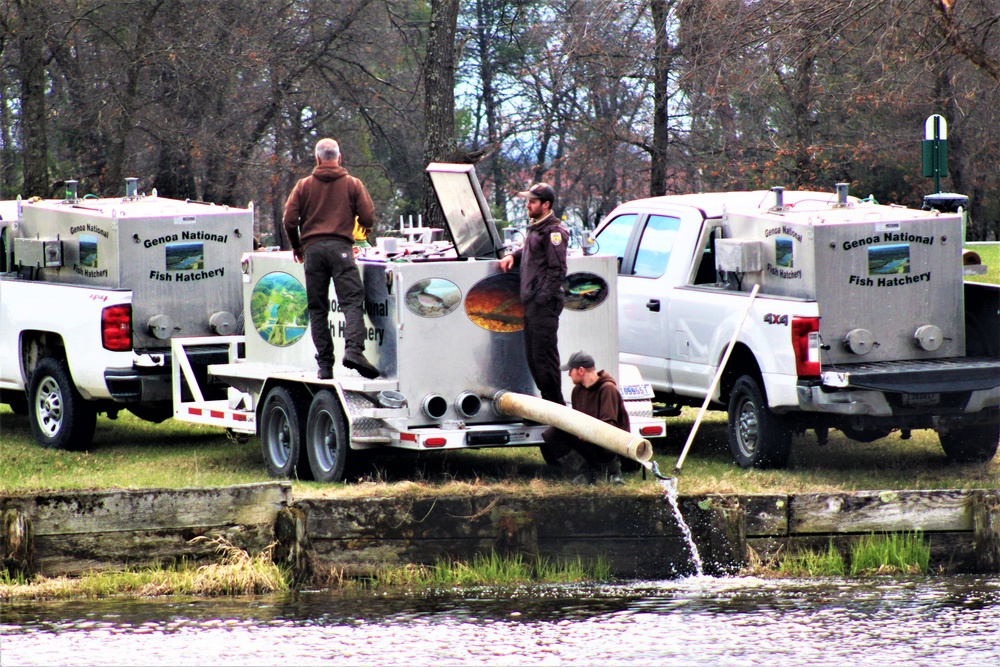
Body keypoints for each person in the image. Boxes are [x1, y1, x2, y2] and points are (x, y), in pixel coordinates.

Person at [283, 138, 380, 380]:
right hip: (342, 249)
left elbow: (288, 221)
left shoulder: (303, 186)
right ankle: (354, 351)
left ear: (317, 159)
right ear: (339, 157)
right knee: (351, 301)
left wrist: (297, 246)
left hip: (313, 251)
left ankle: (325, 366)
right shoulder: (353, 184)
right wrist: (363, 230)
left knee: (318, 308)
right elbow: (368, 217)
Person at [498, 182, 569, 406]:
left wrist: (541, 298)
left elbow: (558, 270)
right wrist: (514, 256)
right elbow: (531, 249)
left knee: (544, 361)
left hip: (543, 305)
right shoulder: (537, 227)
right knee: (533, 359)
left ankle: (556, 411)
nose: (527, 205)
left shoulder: (554, 231)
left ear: (546, 204)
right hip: (532, 303)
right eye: (527, 201)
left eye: (532, 201)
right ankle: (548, 408)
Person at [542, 350, 630, 485]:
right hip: (587, 439)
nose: (569, 374)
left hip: (607, 443)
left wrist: (588, 433)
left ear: (581, 370)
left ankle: (612, 472)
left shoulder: (608, 389)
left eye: (571, 370)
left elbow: (609, 427)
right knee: (552, 434)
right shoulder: (577, 391)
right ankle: (584, 473)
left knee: (606, 440)